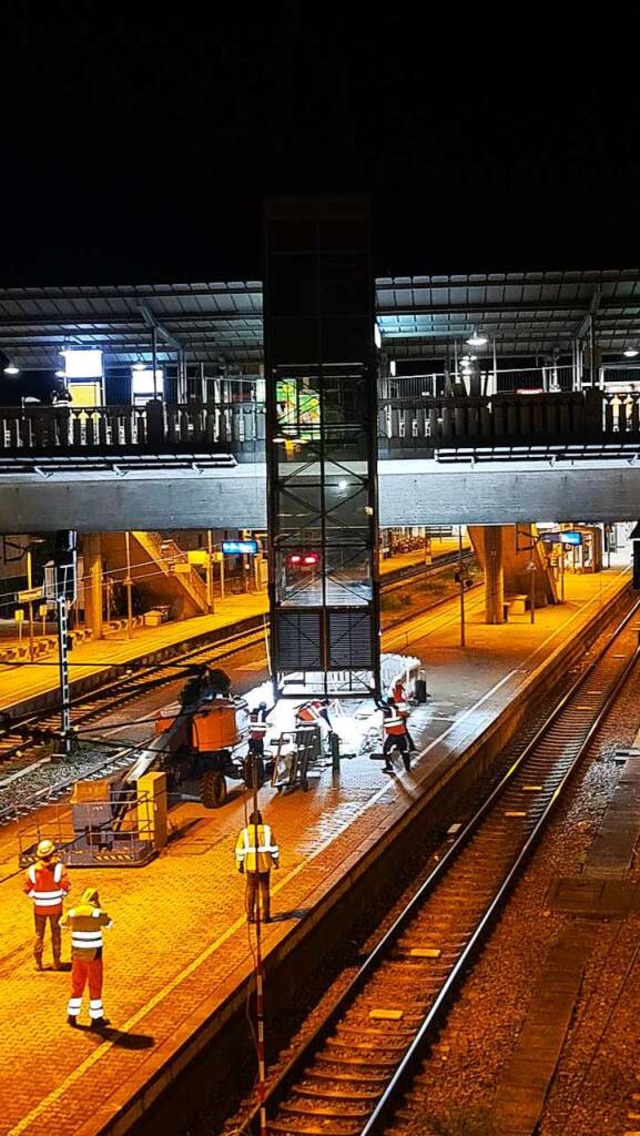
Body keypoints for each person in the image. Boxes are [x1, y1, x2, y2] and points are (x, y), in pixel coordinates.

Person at [60, 886, 113, 1029]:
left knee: (77, 985)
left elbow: (62, 922)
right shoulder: (97, 913)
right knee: (95, 985)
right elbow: (109, 923)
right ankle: (96, 1018)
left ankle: (72, 1015)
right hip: (93, 955)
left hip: (77, 956)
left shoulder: (73, 912)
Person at [23, 838, 70, 971]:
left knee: (39, 934)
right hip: (56, 907)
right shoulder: (59, 868)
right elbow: (66, 887)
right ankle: (56, 962)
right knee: (56, 933)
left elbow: (26, 888)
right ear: (52, 853)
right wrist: (61, 895)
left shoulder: (32, 870)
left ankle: (38, 963)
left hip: (39, 908)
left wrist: (36, 897)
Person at [235, 810, 279, 924]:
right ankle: (266, 915)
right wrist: (276, 861)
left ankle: (250, 916)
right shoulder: (267, 831)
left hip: (251, 865)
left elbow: (239, 850)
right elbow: (274, 847)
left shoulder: (244, 833)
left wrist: (239, 864)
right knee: (265, 890)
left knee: (251, 889)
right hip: (264, 865)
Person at [375, 696, 411, 774]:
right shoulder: (398, 709)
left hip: (392, 735)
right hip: (401, 734)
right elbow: (406, 714)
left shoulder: (387, 710)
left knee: (386, 750)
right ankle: (407, 767)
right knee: (404, 750)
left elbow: (380, 706)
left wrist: (376, 699)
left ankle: (389, 767)